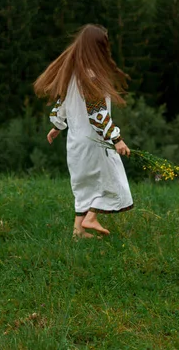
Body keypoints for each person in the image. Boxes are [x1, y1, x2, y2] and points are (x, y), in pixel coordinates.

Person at [34, 24, 133, 238]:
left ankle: (78, 231)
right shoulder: (92, 76)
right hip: (94, 143)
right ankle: (91, 217)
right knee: (113, 181)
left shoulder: (73, 74)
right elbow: (97, 114)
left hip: (76, 143)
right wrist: (117, 138)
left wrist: (57, 126)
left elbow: (63, 104)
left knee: (84, 186)